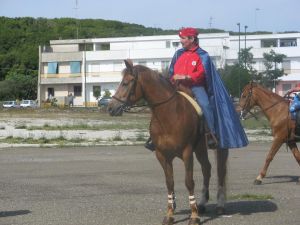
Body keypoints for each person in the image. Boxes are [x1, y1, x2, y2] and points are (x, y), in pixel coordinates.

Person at [145, 27, 248, 151]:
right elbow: (172, 71)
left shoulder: (202, 55)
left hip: (195, 87)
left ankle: (211, 134)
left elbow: (202, 74)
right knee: (160, 105)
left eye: (183, 38)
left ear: (192, 39)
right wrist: (172, 80)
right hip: (177, 86)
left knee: (205, 106)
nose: (181, 41)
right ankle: (153, 136)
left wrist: (186, 76)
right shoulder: (178, 54)